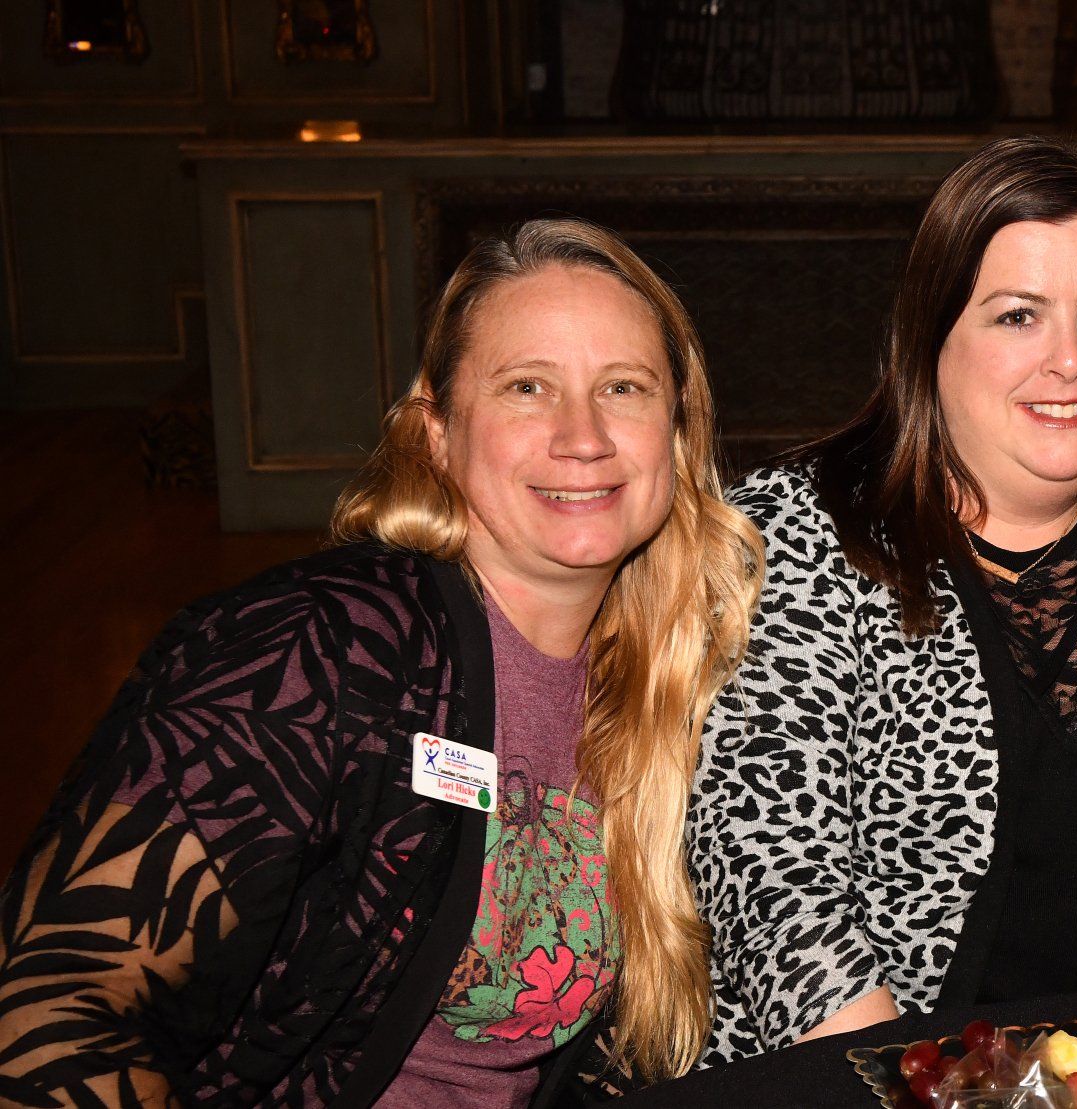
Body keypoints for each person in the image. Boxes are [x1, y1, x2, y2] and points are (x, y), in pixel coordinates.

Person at [0, 218, 762, 1105]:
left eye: (624, 387)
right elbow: (49, 1008)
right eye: (527, 386)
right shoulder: (311, 651)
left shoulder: (669, 672)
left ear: (676, 431)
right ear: (435, 433)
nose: (582, 435)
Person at [690, 135, 1077, 1061]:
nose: (1069, 362)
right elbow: (775, 876)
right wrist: (931, 1089)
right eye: (1018, 317)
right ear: (931, 336)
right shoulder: (795, 538)